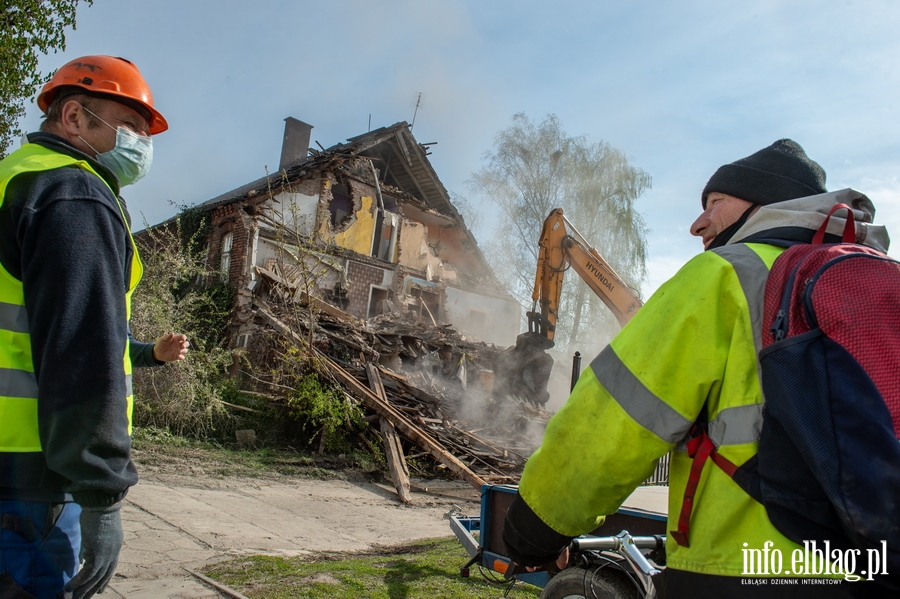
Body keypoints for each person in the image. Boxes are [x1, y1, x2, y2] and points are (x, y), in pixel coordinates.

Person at [502, 139, 892, 598]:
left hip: (741, 569)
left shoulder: (724, 274)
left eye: (715, 203)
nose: (697, 224)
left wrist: (535, 529)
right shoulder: (883, 288)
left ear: (766, 204)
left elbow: (612, 423)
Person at [0, 56, 188, 599]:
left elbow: (41, 328)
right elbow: (82, 351)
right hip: (33, 478)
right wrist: (102, 495)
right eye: (127, 126)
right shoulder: (73, 194)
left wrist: (147, 353)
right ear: (76, 118)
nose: (139, 143)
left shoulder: (16, 178)